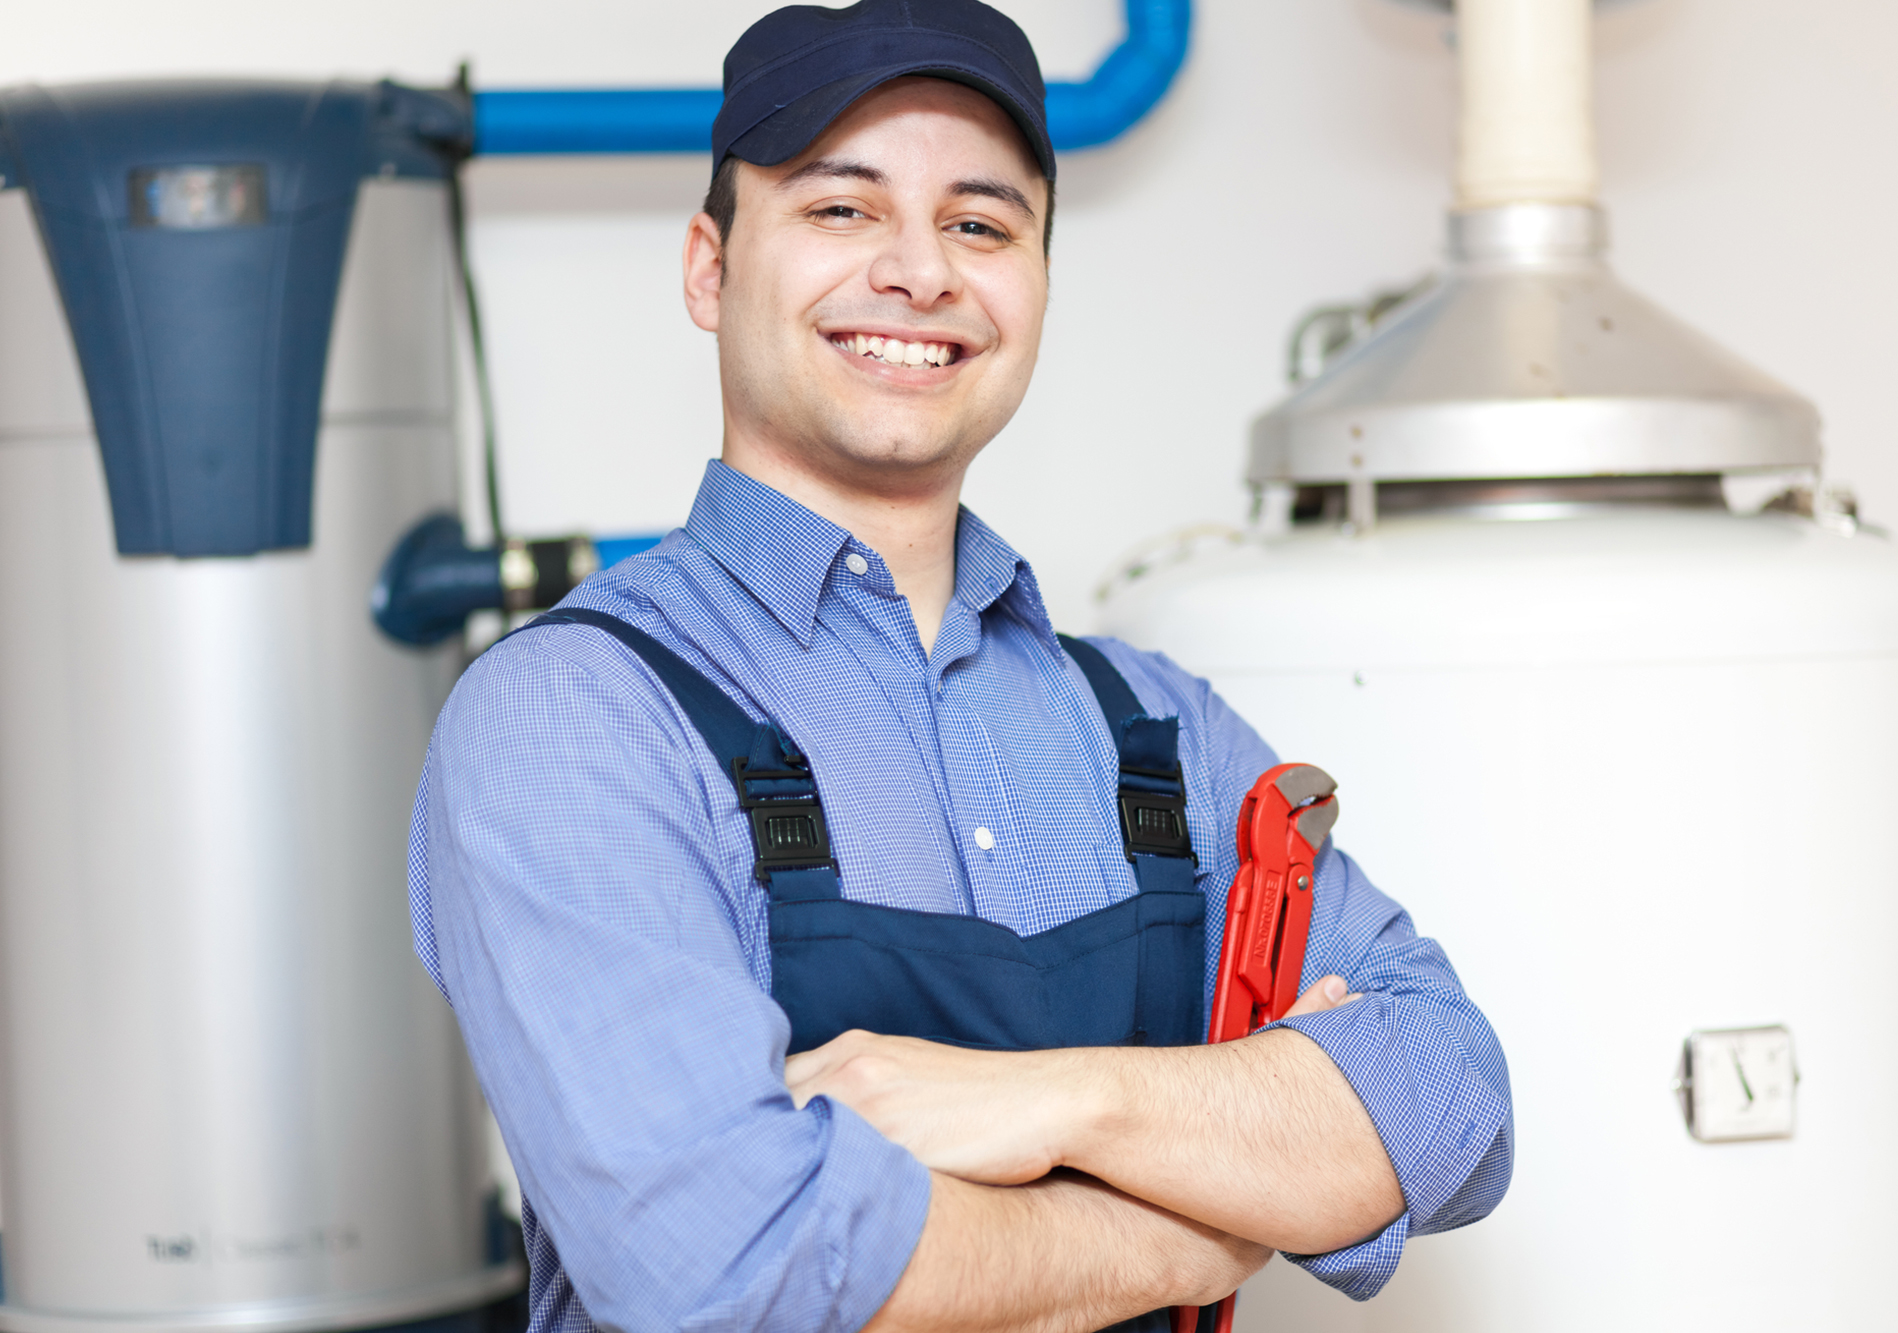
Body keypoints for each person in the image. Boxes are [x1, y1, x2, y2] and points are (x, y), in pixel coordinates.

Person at [409, 3, 1513, 1331]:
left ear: (1037, 285)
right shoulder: (575, 717)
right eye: (841, 210)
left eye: (980, 225)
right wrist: (1200, 1219)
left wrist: (1061, 1097)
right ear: (708, 268)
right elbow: (733, 1270)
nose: (920, 272)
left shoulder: (1155, 724)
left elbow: (1451, 1100)